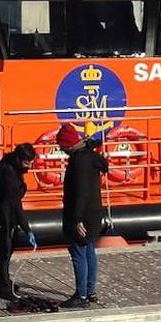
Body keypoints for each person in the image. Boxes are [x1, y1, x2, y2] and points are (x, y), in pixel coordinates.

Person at [58, 123, 108, 308]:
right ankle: (90, 291)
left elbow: (81, 192)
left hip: (82, 215)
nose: (62, 150)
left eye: (62, 146)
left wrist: (76, 218)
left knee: (79, 253)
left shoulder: (78, 162)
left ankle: (82, 295)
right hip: (95, 212)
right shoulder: (91, 157)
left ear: (69, 145)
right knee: (89, 252)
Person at [0, 143, 37, 301]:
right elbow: (14, 203)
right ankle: (4, 287)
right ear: (19, 159)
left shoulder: (14, 168)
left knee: (9, 245)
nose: (29, 166)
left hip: (7, 210)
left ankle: (1, 277)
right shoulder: (7, 172)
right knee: (3, 247)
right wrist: (27, 229)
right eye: (27, 163)